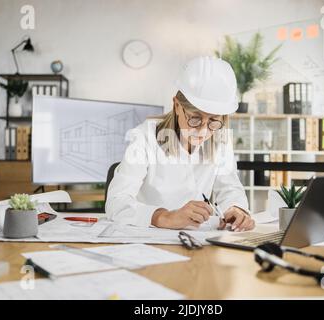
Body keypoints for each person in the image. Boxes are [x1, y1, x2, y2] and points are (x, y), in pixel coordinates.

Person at [106, 56, 255, 232]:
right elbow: (117, 201)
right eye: (195, 118)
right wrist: (164, 217)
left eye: (214, 121)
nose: (203, 131)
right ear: (177, 106)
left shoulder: (220, 138)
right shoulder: (144, 136)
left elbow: (230, 187)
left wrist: (236, 209)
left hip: (198, 240)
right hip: (147, 238)